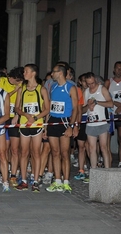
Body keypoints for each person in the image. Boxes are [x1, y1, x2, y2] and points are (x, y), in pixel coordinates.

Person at [14, 64, 50, 192]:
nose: (24, 73)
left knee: (36, 153)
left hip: (37, 124)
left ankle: (36, 180)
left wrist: (35, 118)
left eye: (26, 71)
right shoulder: (21, 89)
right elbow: (16, 108)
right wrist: (25, 114)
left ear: (33, 73)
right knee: (23, 153)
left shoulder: (42, 89)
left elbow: (47, 109)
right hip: (24, 124)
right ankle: (23, 180)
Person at [45, 64, 79, 193]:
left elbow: (76, 108)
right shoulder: (53, 87)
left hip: (65, 121)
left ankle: (66, 181)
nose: (52, 74)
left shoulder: (71, 87)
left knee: (65, 153)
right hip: (53, 120)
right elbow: (50, 108)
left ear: (60, 73)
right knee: (54, 152)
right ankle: (57, 180)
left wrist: (72, 126)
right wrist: (46, 127)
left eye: (53, 72)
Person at [82, 72, 113, 182]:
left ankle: (107, 171)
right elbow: (82, 110)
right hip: (91, 123)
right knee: (91, 148)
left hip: (102, 122)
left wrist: (97, 102)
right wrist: (88, 106)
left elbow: (111, 104)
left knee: (104, 147)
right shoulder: (86, 92)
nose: (91, 86)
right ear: (86, 83)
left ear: (95, 80)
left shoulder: (102, 89)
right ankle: (93, 172)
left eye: (93, 83)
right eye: (89, 84)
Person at [0, 67, 24, 186]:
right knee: (3, 148)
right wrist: (15, 90)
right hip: (3, 117)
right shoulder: (2, 81)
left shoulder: (21, 85)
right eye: (17, 80)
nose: (18, 83)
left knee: (15, 149)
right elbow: (2, 97)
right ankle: (1, 172)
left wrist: (17, 116)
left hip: (14, 118)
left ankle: (13, 174)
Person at [104, 61, 121, 167]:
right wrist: (115, 104)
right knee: (107, 138)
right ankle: (107, 161)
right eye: (118, 68)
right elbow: (104, 96)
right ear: (114, 69)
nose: (119, 70)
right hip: (110, 113)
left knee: (120, 137)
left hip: (120, 114)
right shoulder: (108, 82)